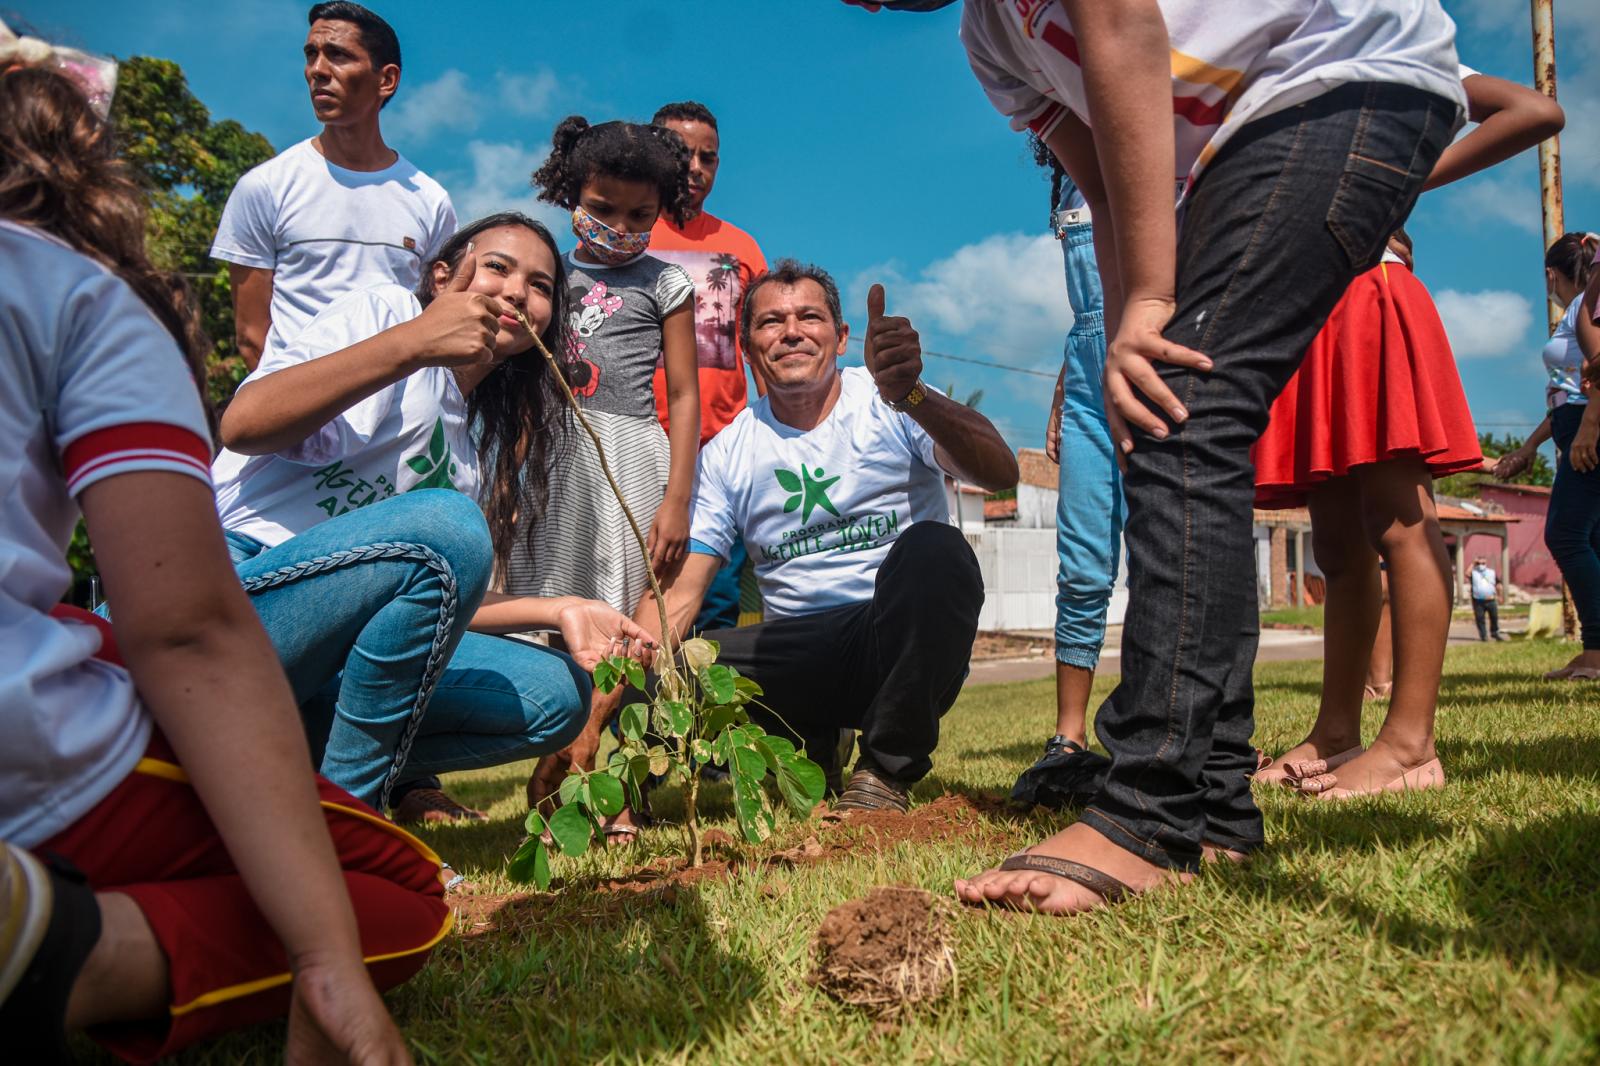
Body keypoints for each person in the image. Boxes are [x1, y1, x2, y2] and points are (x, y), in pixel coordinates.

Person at [860, 0, 1464, 914]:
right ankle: (1216, 805)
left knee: (1187, 414)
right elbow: (1105, 184)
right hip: (1239, 153)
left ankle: (1150, 811)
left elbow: (1124, 26)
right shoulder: (992, 41)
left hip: (1342, 80)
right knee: (1162, 411)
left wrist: (1153, 296)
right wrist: (1124, 327)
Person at [0, 47, 435, 1061]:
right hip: (75, 704)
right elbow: (188, 623)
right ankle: (61, 942)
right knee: (400, 894)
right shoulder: (77, 291)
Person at [211, 212, 657, 825]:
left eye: (541, 285)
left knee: (557, 695)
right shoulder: (386, 313)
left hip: (335, 656)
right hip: (236, 597)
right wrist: (414, 340)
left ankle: (306, 763)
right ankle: (350, 823)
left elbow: (441, 589)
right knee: (449, 525)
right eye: (497, 267)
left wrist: (559, 608)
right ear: (443, 277)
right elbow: (243, 422)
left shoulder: (465, 457)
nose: (515, 292)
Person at [617, 261, 1017, 813]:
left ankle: (884, 770)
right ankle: (635, 792)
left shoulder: (891, 405)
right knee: (665, 656)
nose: (792, 332)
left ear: (842, 336)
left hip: (894, 641)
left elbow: (1000, 474)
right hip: (796, 654)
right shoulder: (730, 451)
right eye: (770, 322)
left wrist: (914, 396)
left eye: (810, 316)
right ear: (748, 348)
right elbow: (679, 598)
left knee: (938, 550)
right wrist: (608, 702)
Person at [1250, 230, 1480, 796]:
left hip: (1364, 287)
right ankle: (1335, 733)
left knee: (1397, 516)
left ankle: (1410, 746)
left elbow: (1532, 131)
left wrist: (1403, 173)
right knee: (1334, 542)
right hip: (1302, 305)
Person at [503, 117, 699, 618]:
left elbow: (683, 395)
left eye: (641, 214)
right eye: (601, 209)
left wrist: (677, 500)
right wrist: (507, 478)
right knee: (539, 591)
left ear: (664, 210)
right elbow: (527, 382)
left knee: (613, 598)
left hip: (631, 457)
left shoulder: (667, 283)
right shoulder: (547, 272)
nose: (620, 226)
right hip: (549, 451)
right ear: (572, 194)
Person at [211, 2, 456, 372]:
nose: (317, 71)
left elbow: (437, 321)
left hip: (396, 421)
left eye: (338, 55)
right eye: (311, 55)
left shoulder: (430, 200)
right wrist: (295, 411)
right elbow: (251, 337)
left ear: (386, 80)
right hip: (296, 416)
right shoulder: (264, 187)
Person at [1009, 136, 1121, 809]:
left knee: (1180, 548)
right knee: (1082, 561)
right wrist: (1065, 385)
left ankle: (1208, 726)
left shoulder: (1151, 142)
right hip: (1086, 374)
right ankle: (1069, 739)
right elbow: (1091, 315)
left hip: (1163, 352)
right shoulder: (1065, 179)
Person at [649, 100, 770, 632]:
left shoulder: (740, 247)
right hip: (640, 442)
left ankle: (705, 713)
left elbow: (760, 349)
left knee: (715, 599)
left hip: (719, 448)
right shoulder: (627, 234)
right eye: (681, 154)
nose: (695, 169)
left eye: (709, 158)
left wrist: (774, 433)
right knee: (634, 585)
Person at [1495, 232, 1600, 681]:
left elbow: (1598, 374)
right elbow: (1566, 393)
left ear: (1550, 274)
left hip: (1588, 429)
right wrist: (1531, 443)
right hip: (1573, 425)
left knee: (1565, 533)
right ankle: (1593, 652)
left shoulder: (1587, 307)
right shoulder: (1575, 312)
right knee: (1589, 539)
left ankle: (1596, 652)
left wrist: (1589, 428)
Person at [1469, 557, 1506, 641]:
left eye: (1483, 563)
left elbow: (1498, 585)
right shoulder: (1474, 573)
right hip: (1478, 601)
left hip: (1491, 600)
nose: (1481, 565)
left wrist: (1500, 596)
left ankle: (1495, 633)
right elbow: (1467, 573)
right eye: (1479, 563)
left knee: (1494, 617)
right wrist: (1473, 563)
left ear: (1486, 563)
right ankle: (1483, 636)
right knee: (1480, 619)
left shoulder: (1491, 572)